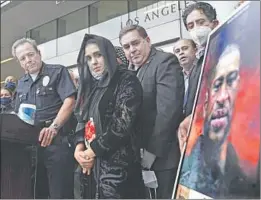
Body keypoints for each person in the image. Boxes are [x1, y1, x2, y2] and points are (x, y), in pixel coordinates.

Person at [180, 44, 256, 198]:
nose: (221, 98)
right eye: (217, 85)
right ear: (206, 100)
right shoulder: (192, 166)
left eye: (232, 82)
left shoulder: (246, 175)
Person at [73, 34, 144, 199]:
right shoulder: (91, 87)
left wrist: (92, 151)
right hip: (90, 166)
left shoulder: (126, 79)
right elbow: (81, 119)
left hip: (118, 169)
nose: (94, 62)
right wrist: (79, 149)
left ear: (109, 54)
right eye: (89, 58)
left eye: (98, 55)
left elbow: (122, 124)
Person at [119, 25, 184, 199]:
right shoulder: (132, 72)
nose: (132, 50)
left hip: (162, 158)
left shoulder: (164, 62)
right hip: (140, 158)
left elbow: (168, 111)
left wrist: (151, 152)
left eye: (135, 43)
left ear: (147, 41)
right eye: (126, 47)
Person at [12, 38, 76, 198]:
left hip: (57, 144)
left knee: (60, 194)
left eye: (30, 54)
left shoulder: (58, 72)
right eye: (23, 58)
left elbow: (70, 101)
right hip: (31, 149)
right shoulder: (21, 84)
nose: (28, 60)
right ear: (20, 63)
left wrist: (53, 128)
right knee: (36, 194)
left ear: (39, 53)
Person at [178, 2, 220, 151]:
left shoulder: (224, 52)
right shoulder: (199, 61)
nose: (196, 29)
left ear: (214, 23)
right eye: (191, 26)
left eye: (201, 22)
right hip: (200, 134)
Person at [173, 39, 197, 113]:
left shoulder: (205, 67)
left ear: (195, 50)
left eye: (185, 48)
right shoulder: (175, 77)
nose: (181, 53)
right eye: (177, 51)